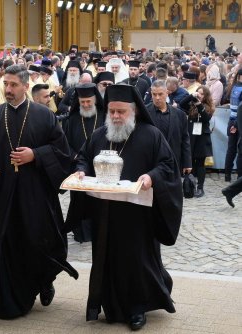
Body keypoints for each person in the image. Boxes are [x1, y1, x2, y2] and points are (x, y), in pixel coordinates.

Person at [0, 64, 79, 319]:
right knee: (0, 245)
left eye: (13, 85)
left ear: (25, 87)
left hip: (35, 195)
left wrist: (36, 155)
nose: (8, 89)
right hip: (3, 193)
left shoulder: (44, 115)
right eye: (5, 84)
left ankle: (42, 281)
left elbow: (63, 152)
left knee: (36, 243)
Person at [72, 84, 183, 330]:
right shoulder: (100, 135)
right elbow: (83, 157)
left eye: (121, 112)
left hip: (137, 214)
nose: (115, 117)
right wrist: (81, 171)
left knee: (137, 261)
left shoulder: (150, 135)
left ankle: (137, 309)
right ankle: (110, 306)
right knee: (106, 259)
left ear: (133, 111)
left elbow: (167, 165)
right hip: (105, 213)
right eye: (111, 111)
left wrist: (150, 177)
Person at [62, 83, 106, 242]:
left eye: (89, 101)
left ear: (95, 99)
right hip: (78, 167)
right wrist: (75, 156)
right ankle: (81, 233)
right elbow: (64, 142)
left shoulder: (104, 115)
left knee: (99, 201)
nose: (86, 105)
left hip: (101, 166)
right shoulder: (72, 119)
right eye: (83, 102)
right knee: (79, 200)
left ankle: (100, 230)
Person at [147, 80, 192, 175]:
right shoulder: (145, 113)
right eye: (154, 94)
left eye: (160, 94)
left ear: (167, 93)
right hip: (151, 162)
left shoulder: (180, 115)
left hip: (174, 160)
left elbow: (185, 139)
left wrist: (187, 162)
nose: (157, 98)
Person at [179, 86, 214, 198]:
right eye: (198, 93)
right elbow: (181, 104)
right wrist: (191, 96)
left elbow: (205, 118)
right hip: (191, 136)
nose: (199, 95)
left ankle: (200, 187)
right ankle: (190, 186)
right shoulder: (191, 104)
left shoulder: (208, 107)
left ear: (206, 96)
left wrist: (199, 103)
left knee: (200, 163)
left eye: (202, 94)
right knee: (190, 162)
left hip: (202, 137)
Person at [224, 69, 242, 181]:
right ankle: (240, 177)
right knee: (240, 151)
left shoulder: (233, 87)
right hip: (238, 121)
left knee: (231, 149)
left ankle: (227, 174)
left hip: (232, 120)